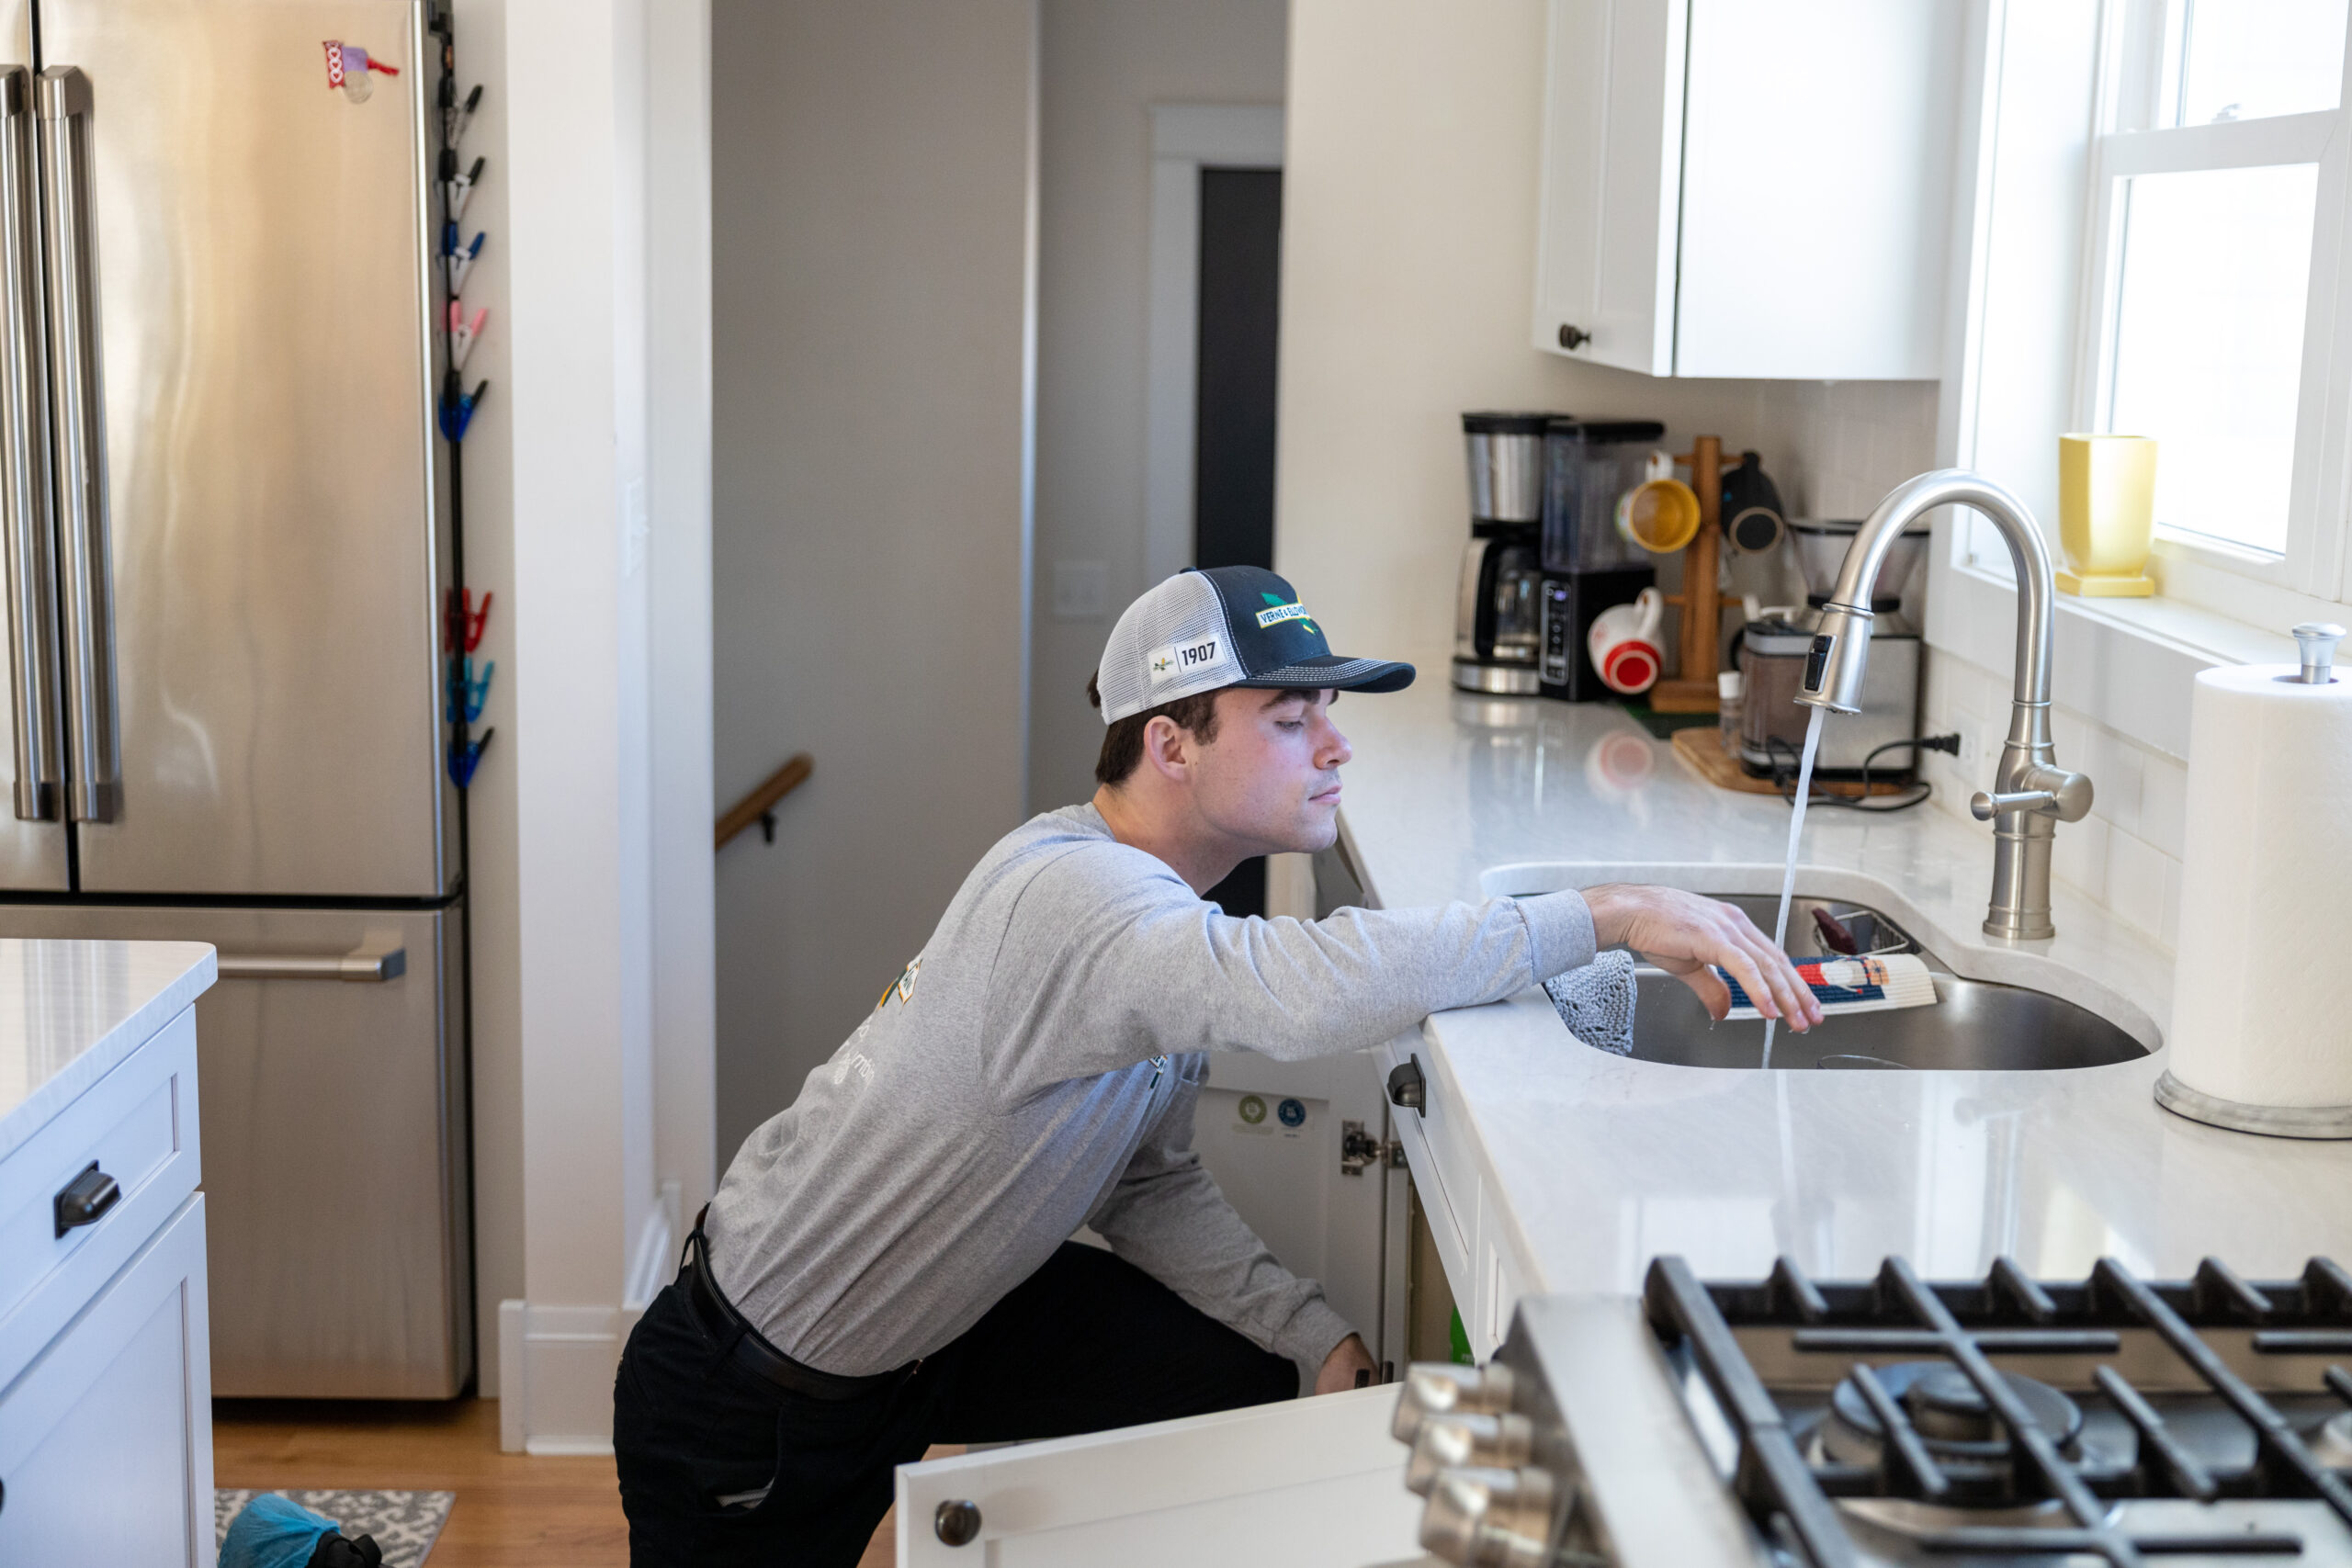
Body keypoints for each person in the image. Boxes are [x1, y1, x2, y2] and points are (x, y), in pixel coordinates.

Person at [612, 565, 1819, 1565]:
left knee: (1238, 1372)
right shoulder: (1082, 898)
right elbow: (1294, 991)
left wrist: (1304, 1332)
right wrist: (1600, 913)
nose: (1335, 749)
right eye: (1291, 721)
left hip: (931, 1335)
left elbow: (1144, 1185)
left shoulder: (1147, 920)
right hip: (751, 1397)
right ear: (1169, 745)